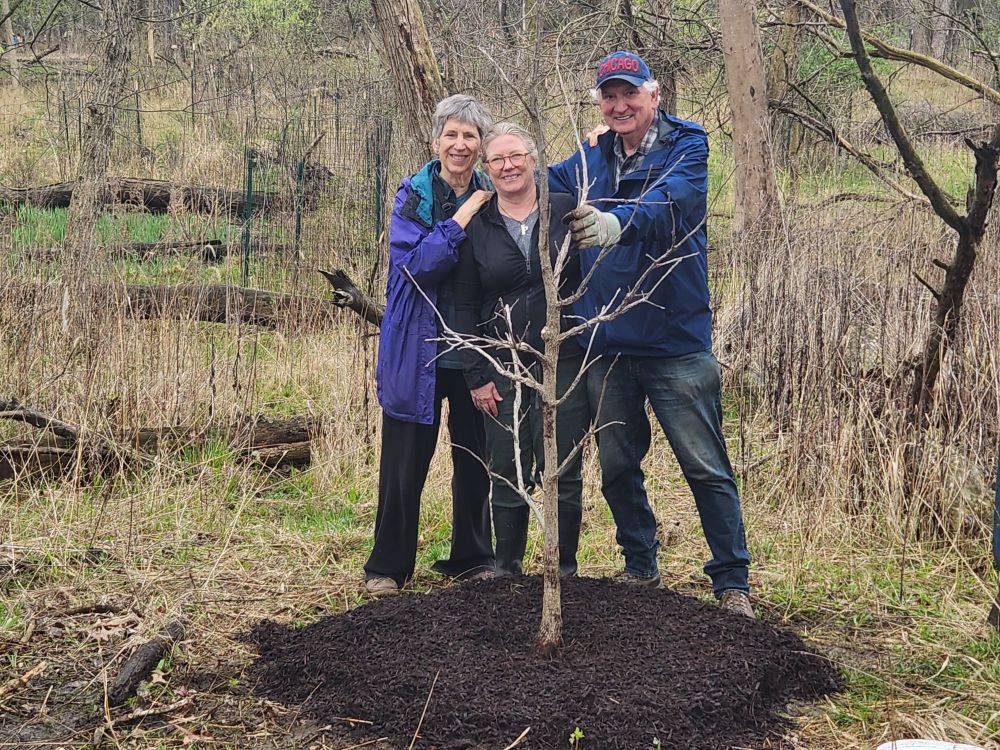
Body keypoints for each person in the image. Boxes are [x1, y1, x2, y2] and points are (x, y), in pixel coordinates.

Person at [548, 51, 754, 617]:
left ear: (654, 95)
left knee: (704, 466)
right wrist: (489, 173)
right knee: (617, 465)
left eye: (630, 94)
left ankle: (731, 582)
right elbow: (541, 184)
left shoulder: (687, 144)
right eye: (609, 97)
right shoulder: (592, 156)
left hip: (673, 341)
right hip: (607, 340)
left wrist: (616, 222)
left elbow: (672, 203)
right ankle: (640, 567)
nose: (620, 106)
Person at [364, 95, 496, 597]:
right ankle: (387, 568)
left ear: (480, 145)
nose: (460, 145)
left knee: (475, 459)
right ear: (435, 139)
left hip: (473, 349)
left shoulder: (493, 191)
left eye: (470, 136)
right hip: (415, 347)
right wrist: (463, 217)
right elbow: (417, 267)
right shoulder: (413, 195)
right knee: (403, 464)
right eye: (452, 134)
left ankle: (473, 558)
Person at [453, 122, 590, 577]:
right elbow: (465, 304)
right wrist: (477, 375)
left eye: (516, 156)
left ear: (533, 160)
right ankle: (507, 570)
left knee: (562, 467)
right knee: (507, 465)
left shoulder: (565, 210)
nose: (508, 166)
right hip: (502, 363)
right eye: (497, 160)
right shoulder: (478, 225)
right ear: (487, 168)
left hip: (563, 358)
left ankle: (561, 571)